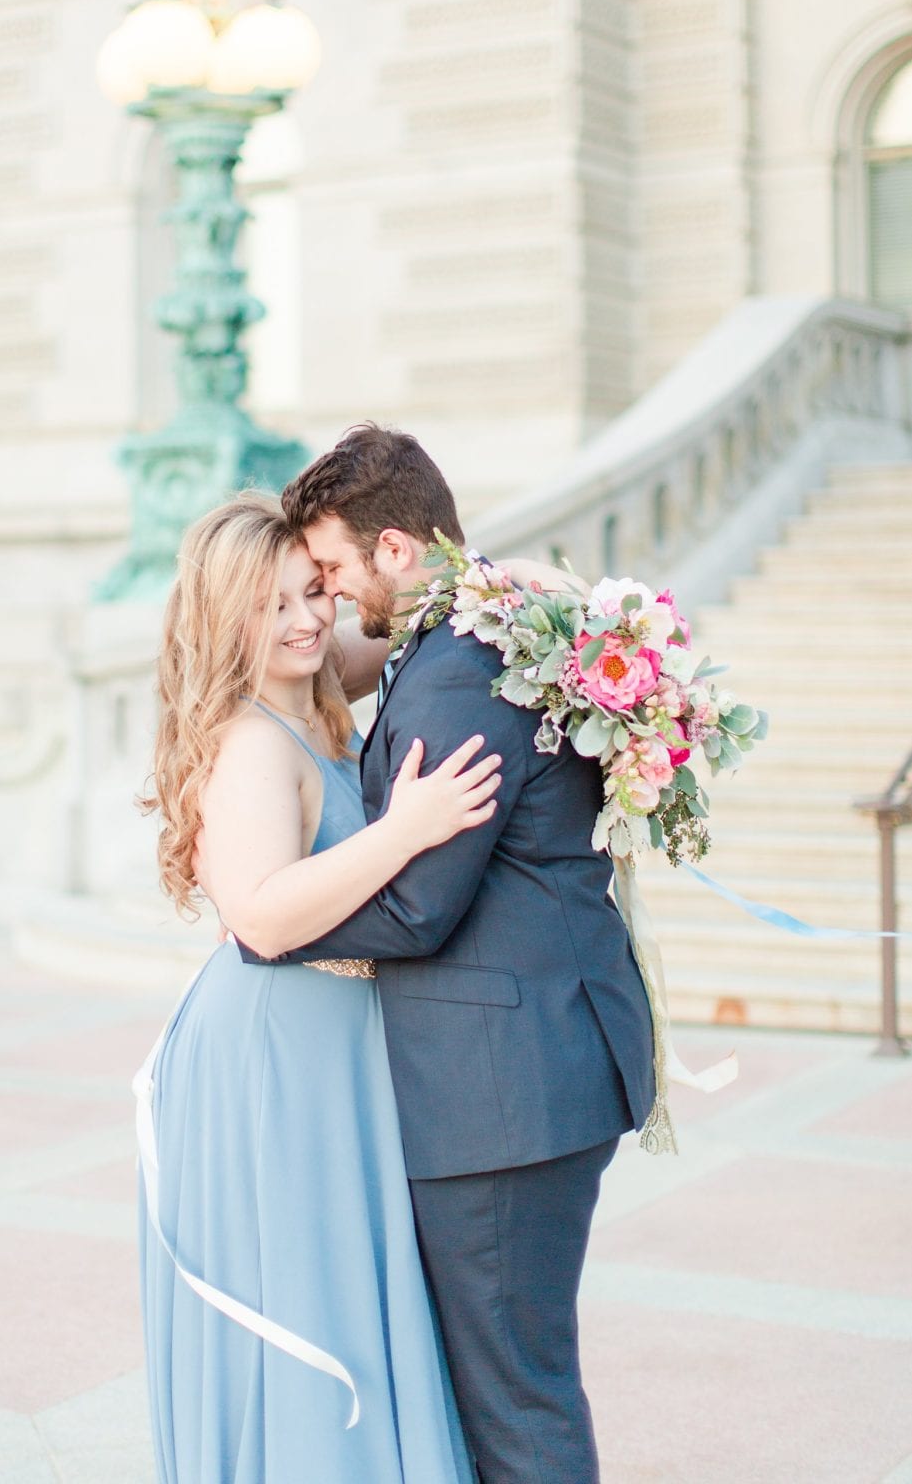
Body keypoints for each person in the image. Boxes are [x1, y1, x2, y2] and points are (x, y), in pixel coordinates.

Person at [235, 423, 658, 1483]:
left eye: (329, 570)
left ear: (390, 553)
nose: (326, 601)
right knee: (507, 1386)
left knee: (515, 1401)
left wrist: (269, 925)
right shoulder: (468, 634)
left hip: (503, 1095)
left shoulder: (456, 670)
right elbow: (326, 661)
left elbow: (421, 910)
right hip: (528, 1066)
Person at [138, 493, 503, 1483]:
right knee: (308, 1300)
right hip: (273, 1054)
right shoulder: (254, 740)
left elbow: (402, 628)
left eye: (312, 591)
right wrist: (408, 827)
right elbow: (258, 916)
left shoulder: (318, 680)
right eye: (269, 607)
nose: (303, 620)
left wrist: (511, 597)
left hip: (336, 1044)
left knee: (349, 1286)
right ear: (224, 621)